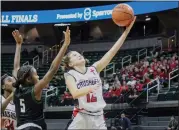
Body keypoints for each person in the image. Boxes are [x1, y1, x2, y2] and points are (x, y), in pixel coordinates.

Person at [63, 17, 136, 129]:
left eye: (78, 53)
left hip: (98, 117)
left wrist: (126, 32)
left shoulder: (94, 69)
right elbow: (75, 93)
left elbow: (112, 52)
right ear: (70, 64)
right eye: (73, 55)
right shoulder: (70, 74)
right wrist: (90, 88)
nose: (78, 55)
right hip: (81, 117)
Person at [12, 26, 70, 130]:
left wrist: (18, 44)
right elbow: (52, 69)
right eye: (36, 74)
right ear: (29, 79)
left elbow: (16, 67)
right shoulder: (35, 90)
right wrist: (65, 45)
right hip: (33, 127)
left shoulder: (17, 89)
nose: (38, 76)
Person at [1, 30, 23, 130]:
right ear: (3, 86)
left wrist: (18, 45)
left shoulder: (17, 103)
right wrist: (12, 95)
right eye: (9, 81)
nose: (13, 82)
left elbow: (16, 68)